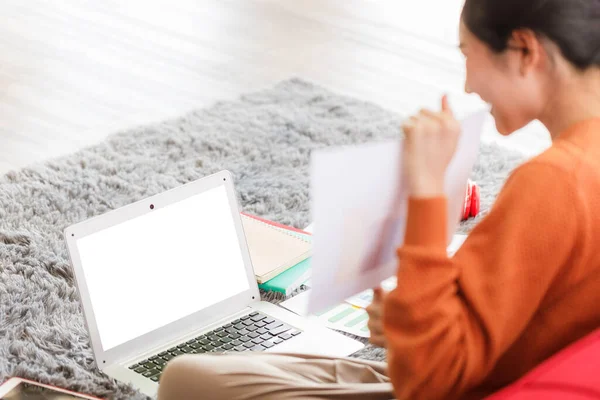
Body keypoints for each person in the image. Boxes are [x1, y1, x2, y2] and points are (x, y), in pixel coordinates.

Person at [158, 0, 600, 398]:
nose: (467, 85)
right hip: (510, 364)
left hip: (457, 383)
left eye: (467, 53)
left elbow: (429, 380)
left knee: (184, 380)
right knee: (215, 371)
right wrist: (412, 319)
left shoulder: (555, 181)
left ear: (524, 50)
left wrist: (426, 189)